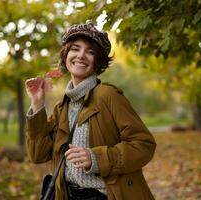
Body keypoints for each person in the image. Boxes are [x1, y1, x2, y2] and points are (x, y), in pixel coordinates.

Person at [25, 22, 157, 200]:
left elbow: (143, 145)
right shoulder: (62, 106)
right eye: (75, 49)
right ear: (66, 56)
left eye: (90, 51)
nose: (81, 56)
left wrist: (96, 158)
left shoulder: (108, 95)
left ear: (98, 62)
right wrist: (37, 104)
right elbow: (38, 154)